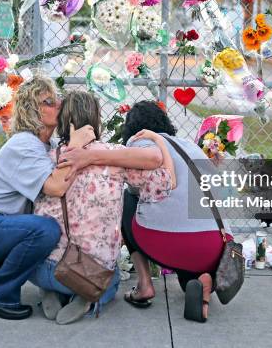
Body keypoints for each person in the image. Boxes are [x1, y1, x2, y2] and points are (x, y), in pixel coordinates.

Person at [0, 77, 162, 320]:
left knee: (43, 229)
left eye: (57, 99)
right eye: (49, 102)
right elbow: (56, 187)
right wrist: (78, 147)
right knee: (46, 230)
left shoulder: (47, 145)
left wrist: (86, 154)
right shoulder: (24, 144)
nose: (59, 104)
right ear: (33, 111)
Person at [29, 91, 176, 325]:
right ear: (95, 120)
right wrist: (160, 140)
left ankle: (47, 290)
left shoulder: (46, 157)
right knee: (113, 279)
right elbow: (164, 183)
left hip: (41, 269)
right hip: (86, 272)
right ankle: (88, 296)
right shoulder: (115, 157)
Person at [102, 100, 233, 323]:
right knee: (187, 277)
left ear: (132, 127)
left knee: (128, 199)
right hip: (215, 244)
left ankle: (144, 285)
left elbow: (137, 188)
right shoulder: (190, 146)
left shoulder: (141, 142)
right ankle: (203, 277)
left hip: (169, 242)